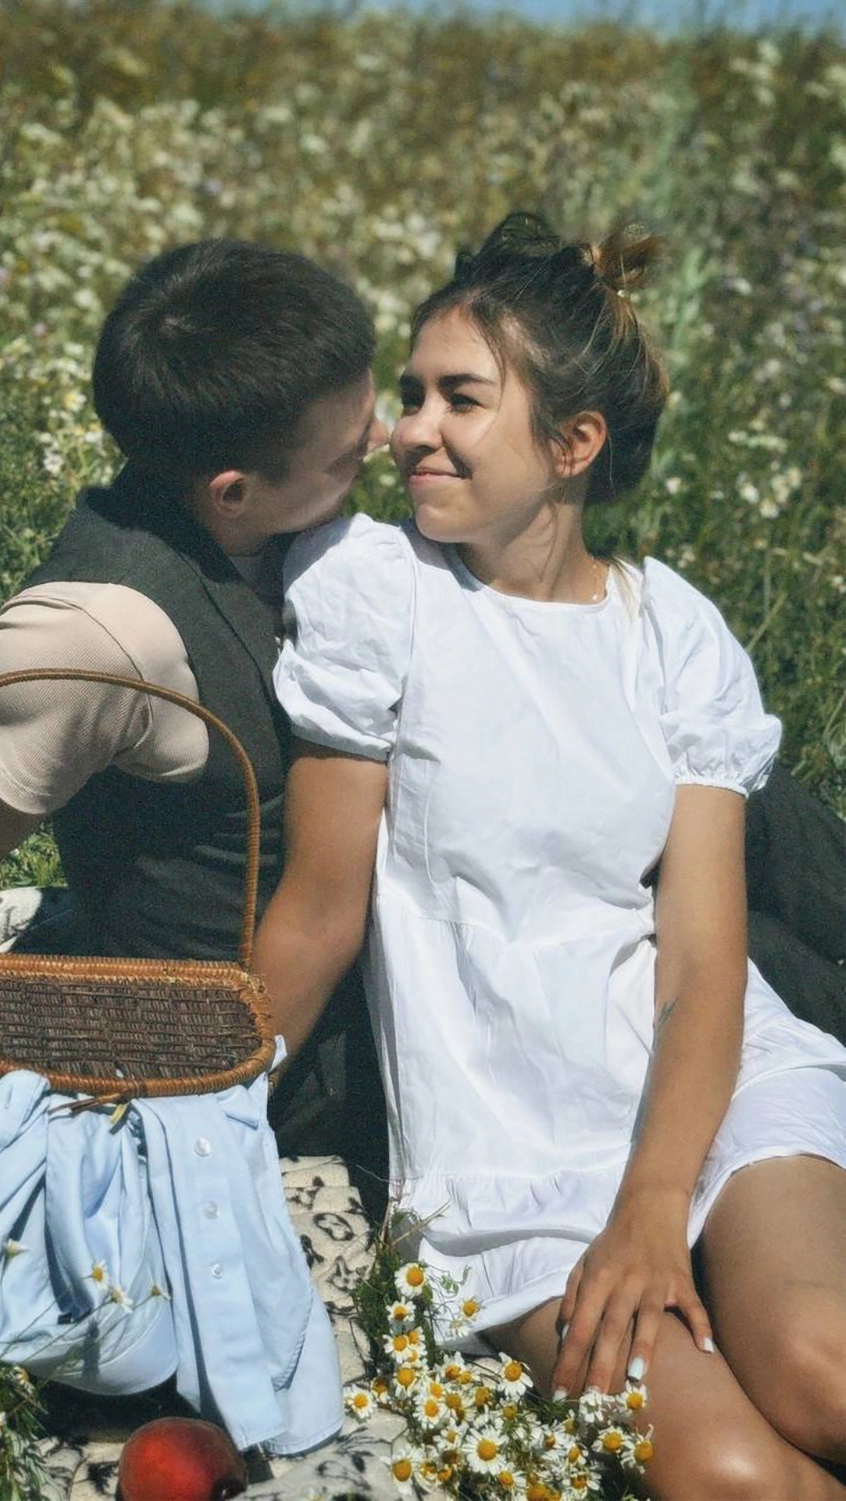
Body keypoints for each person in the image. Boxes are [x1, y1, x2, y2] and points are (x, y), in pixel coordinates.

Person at [253, 214, 846, 1498]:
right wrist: (187, 1111)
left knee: (821, 1367)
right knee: (734, 1473)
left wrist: (654, 1205)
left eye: (460, 399)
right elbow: (319, 913)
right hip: (507, 1156)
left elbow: (702, 961)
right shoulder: (375, 591)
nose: (410, 429)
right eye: (412, 392)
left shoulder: (670, 632)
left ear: (573, 444)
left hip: (712, 1090)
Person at [0, 237, 387, 1174]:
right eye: (346, 455)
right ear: (232, 492)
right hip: (247, 1063)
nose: (382, 445)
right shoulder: (98, 630)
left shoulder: (274, 520)